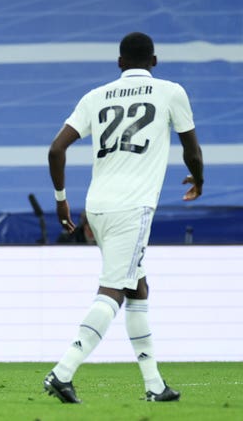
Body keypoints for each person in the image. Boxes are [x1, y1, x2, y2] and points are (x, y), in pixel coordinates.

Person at [44, 32, 203, 403]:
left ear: (119, 63)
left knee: (137, 287)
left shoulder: (95, 97)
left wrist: (61, 202)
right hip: (132, 208)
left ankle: (154, 384)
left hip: (96, 207)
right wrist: (198, 179)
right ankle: (62, 372)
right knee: (113, 289)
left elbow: (56, 149)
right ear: (154, 60)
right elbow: (191, 148)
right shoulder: (170, 92)